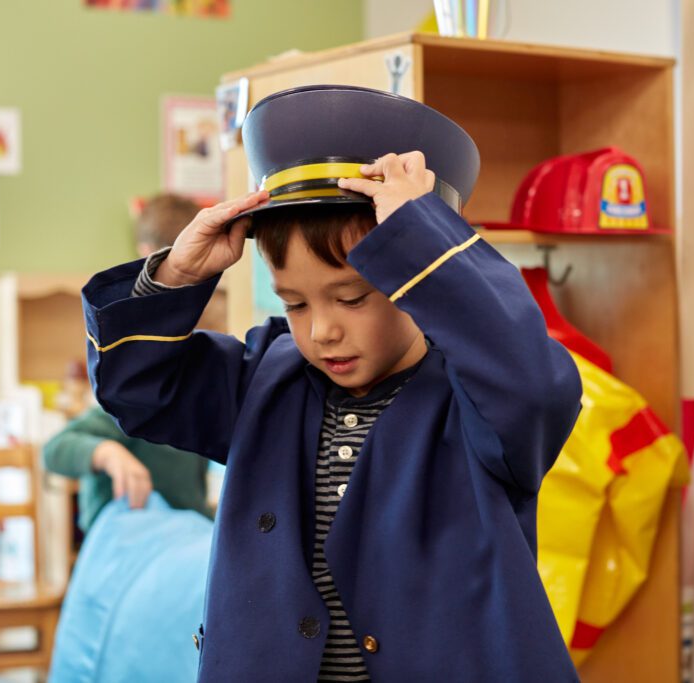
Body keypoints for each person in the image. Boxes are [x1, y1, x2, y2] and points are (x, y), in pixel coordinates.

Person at [82, 85, 583, 681]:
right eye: (294, 303)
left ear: (414, 277)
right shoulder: (264, 376)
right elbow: (138, 389)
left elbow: (534, 384)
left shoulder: (475, 399)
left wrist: (424, 234)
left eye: (351, 298)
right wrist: (174, 277)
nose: (321, 331)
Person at [43, 193, 220, 530]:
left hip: (182, 533)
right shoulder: (132, 397)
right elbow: (55, 450)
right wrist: (108, 454)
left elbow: (193, 501)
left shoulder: (200, 391)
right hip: (132, 540)